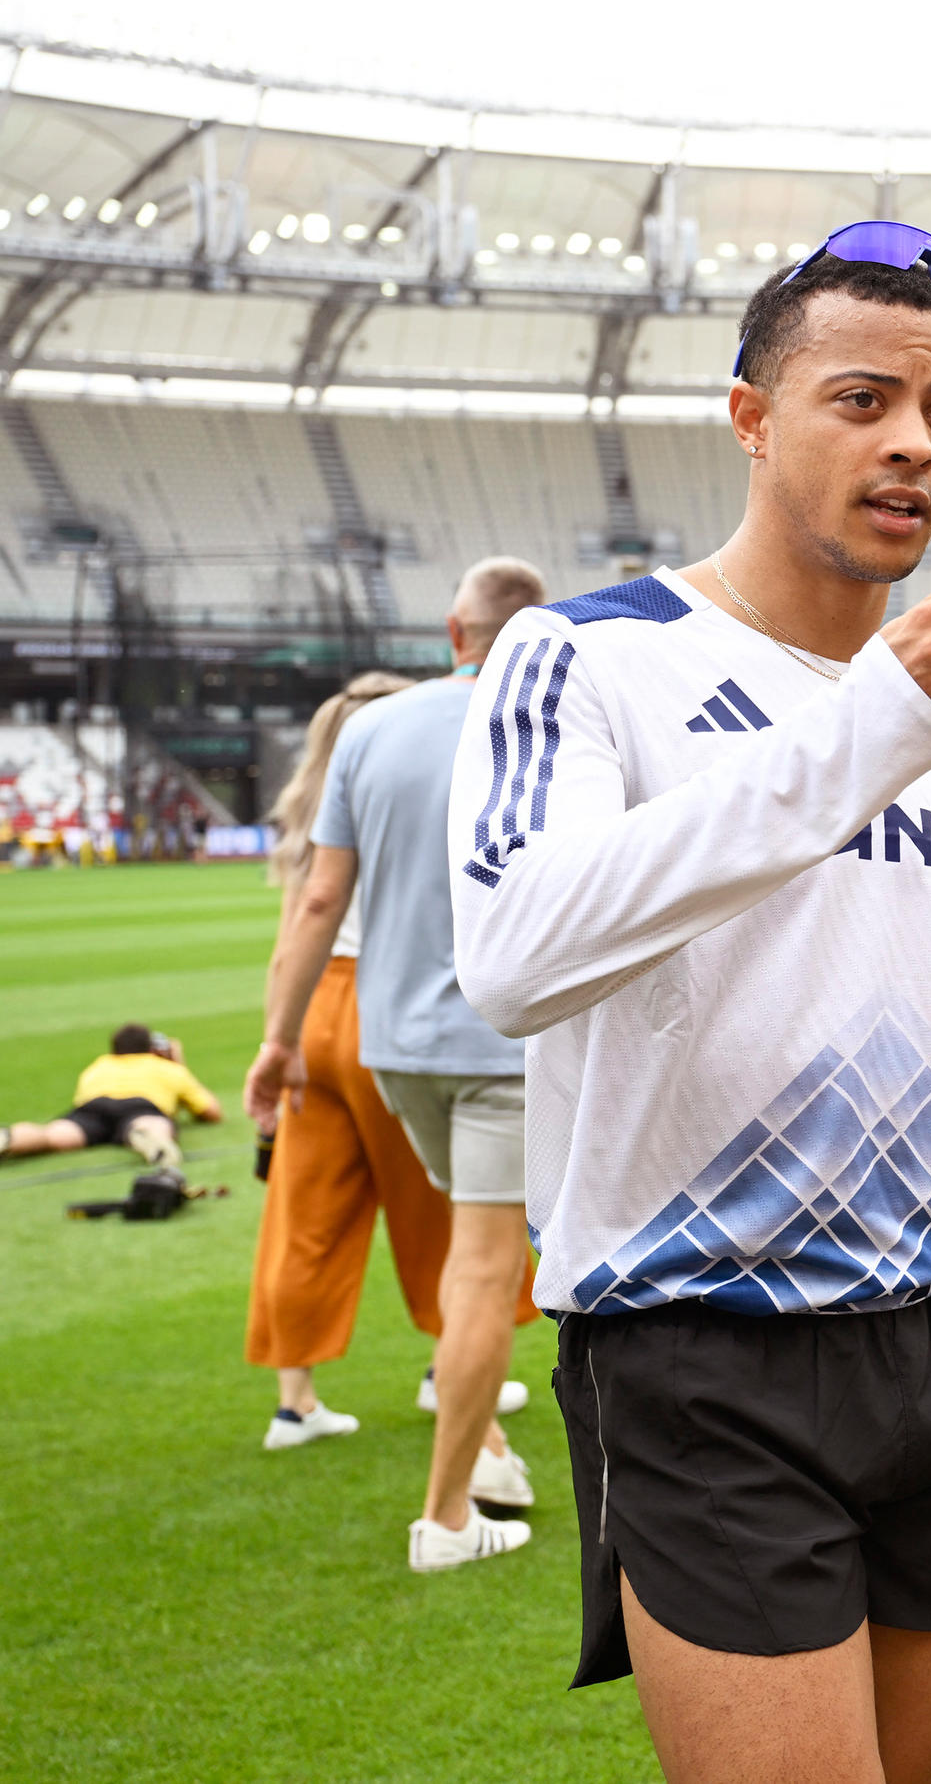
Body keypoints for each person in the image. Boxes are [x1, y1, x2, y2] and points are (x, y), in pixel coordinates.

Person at [448, 222, 931, 1784]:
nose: (911, 444)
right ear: (750, 414)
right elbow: (518, 955)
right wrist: (874, 725)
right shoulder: (585, 657)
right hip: (705, 1343)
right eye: (861, 398)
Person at [247, 558, 551, 1572]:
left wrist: (277, 1040)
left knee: (467, 1260)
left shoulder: (369, 727)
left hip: (392, 1044)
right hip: (503, 1042)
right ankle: (449, 1515)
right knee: (480, 1272)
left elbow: (319, 902)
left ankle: (491, 1453)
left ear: (454, 632)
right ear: (532, 634)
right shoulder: (551, 720)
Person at [244, 670, 498, 1453]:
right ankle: (450, 1375)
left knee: (302, 1208)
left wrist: (275, 1038)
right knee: (442, 1207)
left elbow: (297, 931)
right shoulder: (417, 783)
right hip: (383, 1006)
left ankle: (295, 1399)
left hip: (313, 1010)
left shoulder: (305, 818)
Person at [7, 1024, 220, 1168]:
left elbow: (80, 1099)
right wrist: (178, 1062)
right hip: (140, 1107)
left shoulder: (98, 1066)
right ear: (150, 1048)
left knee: (51, 1135)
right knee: (148, 1125)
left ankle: (7, 1138)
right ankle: (151, 1140)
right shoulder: (167, 1068)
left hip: (93, 1109)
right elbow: (211, 1112)